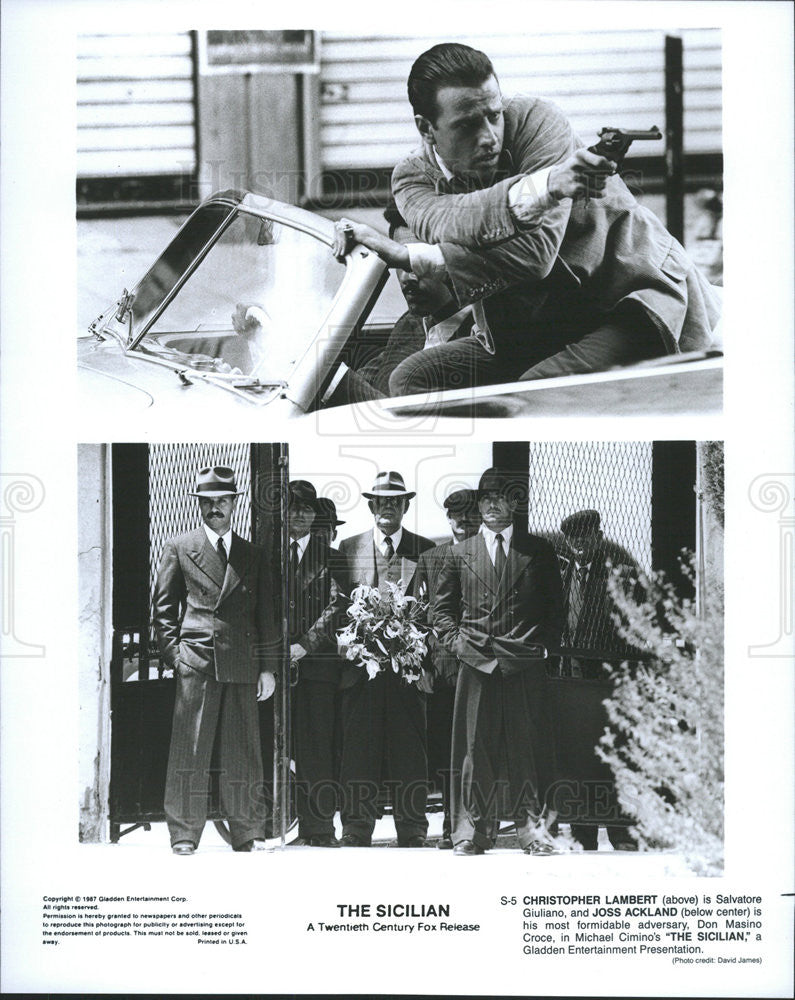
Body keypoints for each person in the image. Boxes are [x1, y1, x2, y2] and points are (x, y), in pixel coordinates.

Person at [333, 42, 719, 396]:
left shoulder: (538, 121)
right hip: (535, 323)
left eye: (494, 115)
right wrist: (546, 186)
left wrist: (414, 256)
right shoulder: (412, 178)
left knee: (534, 394)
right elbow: (452, 221)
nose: (489, 137)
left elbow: (535, 255)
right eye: (467, 124)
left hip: (628, 299)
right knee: (411, 379)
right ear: (426, 128)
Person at [433, 467, 564, 855]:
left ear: (515, 503)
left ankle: (533, 832)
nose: (491, 503)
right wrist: (458, 644)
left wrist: (545, 647)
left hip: (524, 662)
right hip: (475, 664)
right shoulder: (459, 553)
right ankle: (471, 833)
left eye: (501, 496)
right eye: (485, 497)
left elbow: (556, 608)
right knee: (474, 750)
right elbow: (441, 612)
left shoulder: (537, 551)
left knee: (528, 747)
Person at [153, 465, 276, 854]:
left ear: (234, 504)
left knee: (243, 750)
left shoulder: (252, 553)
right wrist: (177, 656)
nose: (214, 508)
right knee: (190, 746)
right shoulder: (179, 546)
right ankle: (184, 834)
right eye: (207, 502)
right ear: (199, 506)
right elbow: (163, 609)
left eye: (221, 501)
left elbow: (266, 614)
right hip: (197, 660)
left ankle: (247, 831)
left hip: (241, 661)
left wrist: (269, 667)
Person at [336, 471, 435, 847]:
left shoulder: (425, 549)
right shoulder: (348, 548)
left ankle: (412, 828)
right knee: (359, 748)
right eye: (381, 501)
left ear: (406, 506)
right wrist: (352, 646)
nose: (388, 508)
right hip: (361, 671)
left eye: (396, 501)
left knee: (410, 749)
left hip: (408, 671)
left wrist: (422, 661)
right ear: (371, 506)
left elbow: (432, 611)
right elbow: (339, 606)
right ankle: (356, 828)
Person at [558, 508, 641, 851]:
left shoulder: (618, 574)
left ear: (598, 536)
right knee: (577, 752)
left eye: (585, 537)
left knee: (612, 753)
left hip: (608, 676)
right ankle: (583, 832)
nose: (578, 544)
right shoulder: (564, 575)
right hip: (572, 676)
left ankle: (620, 831)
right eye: (572, 538)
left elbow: (633, 625)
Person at [413, 488, 481, 848]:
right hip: (441, 670)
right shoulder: (430, 558)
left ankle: (472, 824)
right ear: (448, 519)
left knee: (476, 747)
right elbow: (419, 617)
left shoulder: (486, 554)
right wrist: (423, 665)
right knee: (444, 750)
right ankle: (451, 825)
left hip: (480, 665)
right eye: (456, 516)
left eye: (469, 514)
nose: (463, 521)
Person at [287, 481, 351, 848]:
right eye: (293, 507)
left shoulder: (331, 557)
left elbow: (336, 607)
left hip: (317, 669)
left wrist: (305, 645)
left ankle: (320, 828)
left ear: (314, 515)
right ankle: (276, 823)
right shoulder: (269, 553)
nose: (299, 514)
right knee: (279, 747)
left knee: (316, 748)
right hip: (278, 666)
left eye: (306, 509)